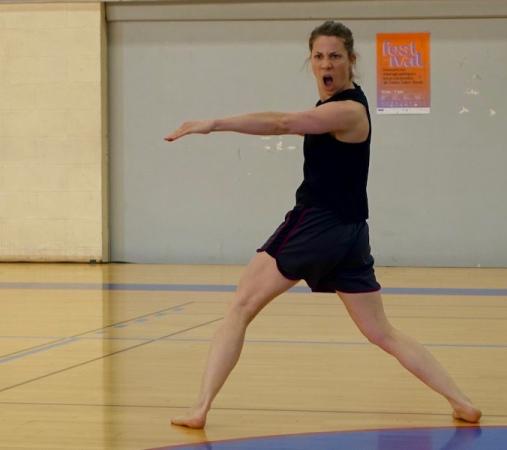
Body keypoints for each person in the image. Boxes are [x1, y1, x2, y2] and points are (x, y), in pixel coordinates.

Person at [164, 20, 482, 429]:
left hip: (317, 223)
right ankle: (461, 403)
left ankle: (200, 408)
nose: (326, 64)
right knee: (381, 332)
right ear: (310, 61)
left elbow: (281, 123)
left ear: (352, 59)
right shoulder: (335, 106)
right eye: (318, 56)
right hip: (351, 232)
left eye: (335, 56)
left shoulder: (348, 110)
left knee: (241, 306)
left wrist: (213, 124)